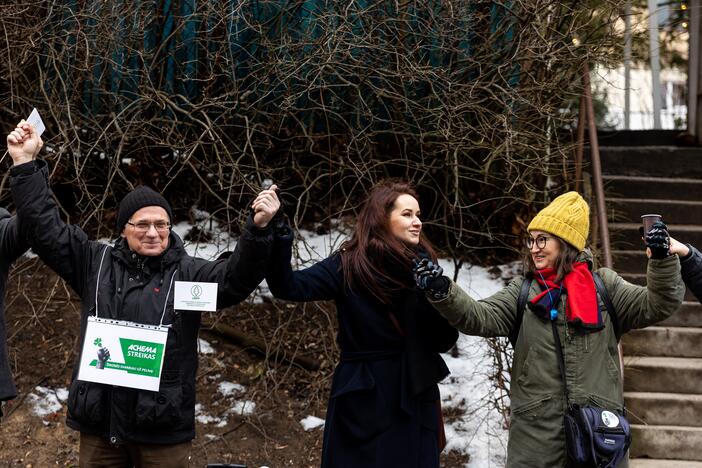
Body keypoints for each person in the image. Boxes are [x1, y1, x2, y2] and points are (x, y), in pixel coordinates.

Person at [6, 122, 280, 466]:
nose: (153, 232)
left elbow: (234, 281)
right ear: (123, 229)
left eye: (161, 224)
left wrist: (258, 231)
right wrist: (25, 164)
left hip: (161, 430)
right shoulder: (95, 262)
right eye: (142, 224)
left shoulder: (187, 274)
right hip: (100, 426)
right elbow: (45, 230)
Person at [414, 191, 685, 467]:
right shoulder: (524, 292)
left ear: (566, 242)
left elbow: (659, 303)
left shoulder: (605, 288)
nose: (534, 247)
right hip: (535, 445)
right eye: (531, 240)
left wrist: (662, 259)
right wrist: (443, 290)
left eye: (542, 239)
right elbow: (478, 317)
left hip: (598, 442)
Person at [265, 181, 458, 468]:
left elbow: (444, 340)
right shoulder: (348, 264)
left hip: (414, 391)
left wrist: (437, 291)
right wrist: (277, 232)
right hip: (363, 396)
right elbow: (288, 286)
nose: (417, 222)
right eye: (407, 214)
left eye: (418, 214)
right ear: (382, 217)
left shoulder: (423, 265)